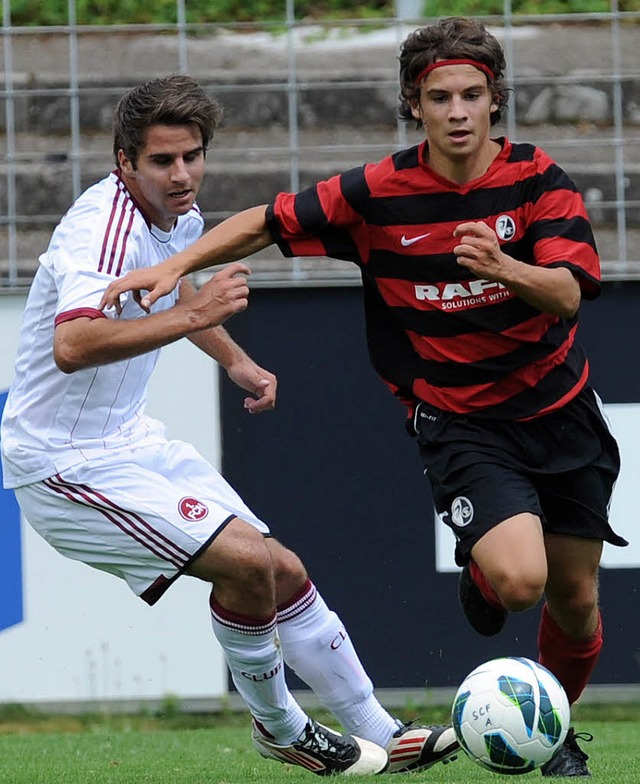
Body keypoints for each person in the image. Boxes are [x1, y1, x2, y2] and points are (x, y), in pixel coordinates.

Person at [99, 19, 631, 778]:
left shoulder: (539, 180)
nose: (456, 111)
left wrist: (503, 266)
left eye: (471, 95)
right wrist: (174, 264)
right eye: (439, 96)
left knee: (576, 599)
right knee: (520, 582)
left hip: (562, 410)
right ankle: (485, 573)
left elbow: (569, 295)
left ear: (493, 100)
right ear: (414, 104)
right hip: (462, 420)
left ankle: (557, 730)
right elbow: (267, 221)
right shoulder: (378, 192)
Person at [0, 75, 460, 777]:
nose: (182, 175)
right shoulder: (100, 228)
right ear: (124, 163)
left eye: (192, 156)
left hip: (128, 440)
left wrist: (235, 360)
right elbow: (74, 345)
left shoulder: (175, 220)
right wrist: (197, 316)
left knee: (282, 570)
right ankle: (280, 727)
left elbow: (175, 287)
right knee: (246, 567)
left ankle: (382, 731)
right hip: (63, 466)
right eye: (161, 161)